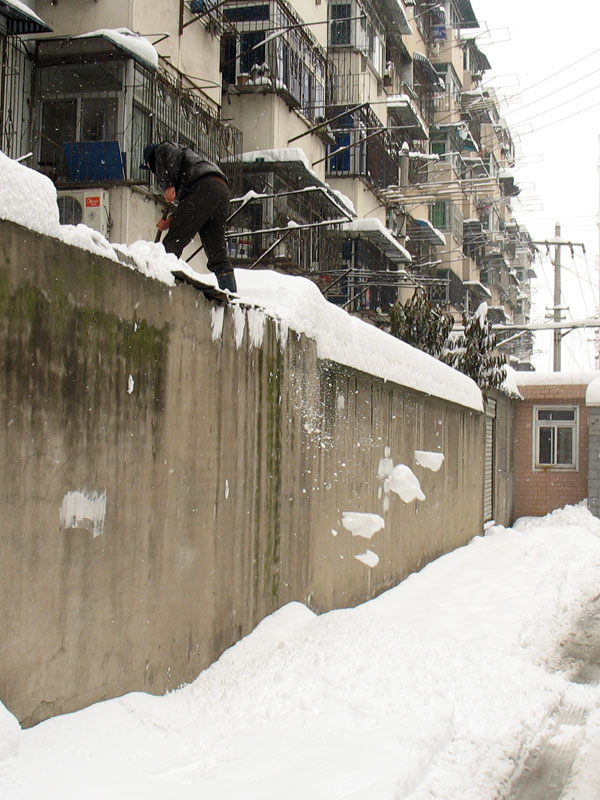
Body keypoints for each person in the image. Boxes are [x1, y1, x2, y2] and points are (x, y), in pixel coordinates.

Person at [142, 142, 237, 293]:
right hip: (220, 189)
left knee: (173, 242)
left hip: (203, 186)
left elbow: (171, 156)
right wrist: (171, 220)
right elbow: (189, 210)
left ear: (149, 162)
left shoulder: (162, 150)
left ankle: (161, 286)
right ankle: (231, 294)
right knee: (217, 254)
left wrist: (169, 184)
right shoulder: (187, 165)